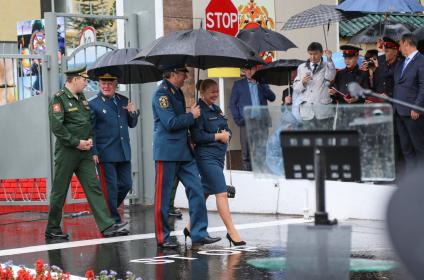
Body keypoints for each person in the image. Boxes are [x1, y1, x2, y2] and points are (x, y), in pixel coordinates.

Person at [46, 65, 128, 240]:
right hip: (68, 152)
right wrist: (76, 142)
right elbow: (57, 128)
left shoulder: (82, 98)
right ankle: (52, 228)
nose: (86, 83)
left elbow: (87, 122)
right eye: (84, 80)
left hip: (84, 152)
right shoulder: (58, 99)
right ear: (74, 79)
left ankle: (107, 225)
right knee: (60, 191)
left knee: (94, 188)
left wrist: (89, 139)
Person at [152, 64, 221, 248]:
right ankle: (162, 237)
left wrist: (191, 119)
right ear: (173, 73)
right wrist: (191, 115)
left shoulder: (177, 92)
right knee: (163, 198)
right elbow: (170, 122)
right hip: (166, 153)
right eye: (183, 73)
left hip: (183, 152)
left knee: (197, 190)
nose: (186, 77)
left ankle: (198, 233)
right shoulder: (162, 94)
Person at [191, 79, 246, 247]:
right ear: (202, 93)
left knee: (205, 192)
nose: (215, 94)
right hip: (206, 158)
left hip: (218, 157)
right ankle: (232, 232)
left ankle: (189, 227)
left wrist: (227, 134)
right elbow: (197, 137)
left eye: (216, 91)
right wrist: (218, 136)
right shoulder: (198, 111)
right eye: (212, 92)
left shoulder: (217, 109)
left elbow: (226, 128)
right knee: (221, 193)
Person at [89, 70, 139, 226]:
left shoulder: (124, 101)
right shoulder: (94, 104)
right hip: (105, 153)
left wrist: (133, 113)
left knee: (126, 184)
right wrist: (94, 151)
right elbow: (90, 130)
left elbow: (132, 124)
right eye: (103, 83)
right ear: (99, 84)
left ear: (116, 84)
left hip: (123, 152)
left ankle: (106, 210)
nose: (106, 86)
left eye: (110, 83)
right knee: (110, 189)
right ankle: (113, 220)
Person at [229, 65, 276, 171]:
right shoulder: (238, 85)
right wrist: (239, 120)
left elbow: (272, 97)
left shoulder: (262, 83)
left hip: (261, 122)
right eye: (247, 69)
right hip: (246, 123)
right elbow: (232, 104)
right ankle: (248, 179)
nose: (249, 72)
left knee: (261, 152)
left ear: (256, 70)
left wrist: (262, 84)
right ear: (244, 71)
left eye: (251, 69)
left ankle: (260, 177)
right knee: (246, 155)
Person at [393, 33, 424, 169]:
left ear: (406, 43)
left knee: (419, 147)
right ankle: (412, 178)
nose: (399, 48)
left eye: (400, 44)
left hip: (413, 112)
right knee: (406, 147)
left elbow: (423, 86)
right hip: (399, 111)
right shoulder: (401, 63)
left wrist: (417, 107)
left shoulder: (421, 60)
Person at [293, 42, 335, 126]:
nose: (312, 57)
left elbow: (330, 77)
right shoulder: (301, 67)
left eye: (315, 54)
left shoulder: (327, 65)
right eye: (310, 54)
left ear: (321, 53)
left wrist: (329, 60)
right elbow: (296, 88)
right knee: (308, 138)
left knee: (326, 138)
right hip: (306, 111)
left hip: (323, 111)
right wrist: (303, 82)